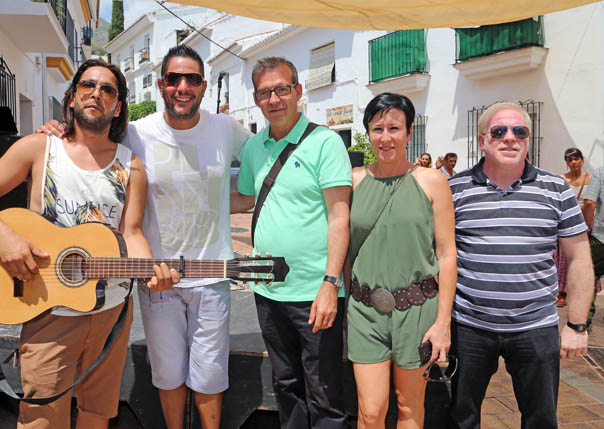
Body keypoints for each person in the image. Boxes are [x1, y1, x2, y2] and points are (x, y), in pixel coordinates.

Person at [37, 45, 251, 429]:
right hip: (155, 276)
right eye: (173, 79)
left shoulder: (227, 129)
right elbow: (90, 143)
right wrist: (57, 129)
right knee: (167, 374)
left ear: (203, 87)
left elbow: (264, 160)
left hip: (213, 274)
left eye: (192, 79)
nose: (182, 87)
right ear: (160, 84)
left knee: (211, 376)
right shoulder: (137, 134)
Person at [0, 59, 176, 428]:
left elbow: (133, 233)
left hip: (110, 310)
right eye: (88, 85)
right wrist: (6, 237)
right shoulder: (39, 148)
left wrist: (151, 272)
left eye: (108, 90)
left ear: (118, 106)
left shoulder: (132, 166)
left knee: (98, 412)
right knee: (41, 418)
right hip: (47, 306)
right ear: (72, 98)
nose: (97, 93)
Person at [448, 102, 593, 429]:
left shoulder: (556, 189)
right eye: (499, 132)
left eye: (519, 131)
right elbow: (439, 255)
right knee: (459, 419)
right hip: (469, 327)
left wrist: (577, 325)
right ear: (482, 140)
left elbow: (580, 257)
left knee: (541, 420)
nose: (509, 138)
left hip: (536, 328)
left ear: (528, 139)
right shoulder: (454, 189)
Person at [231, 56, 351, 428]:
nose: (275, 99)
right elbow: (246, 198)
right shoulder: (254, 147)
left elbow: (339, 217)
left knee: (325, 391)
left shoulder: (325, 142)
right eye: (265, 92)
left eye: (282, 89)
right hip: (268, 290)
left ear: (298, 91)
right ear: (256, 98)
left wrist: (330, 284)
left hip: (315, 292)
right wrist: (192, 189)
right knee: (285, 384)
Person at [344, 93, 456, 429]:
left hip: (418, 312)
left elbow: (447, 255)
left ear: (409, 133)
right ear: (368, 133)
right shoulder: (353, 182)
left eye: (395, 128)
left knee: (410, 408)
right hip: (365, 312)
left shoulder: (432, 181)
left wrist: (443, 322)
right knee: (370, 412)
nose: (386, 137)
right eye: (377, 129)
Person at [555, 148, 591, 306]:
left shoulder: (590, 179)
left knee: (583, 259)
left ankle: (583, 293)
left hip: (586, 225)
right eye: (570, 160)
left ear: (582, 160)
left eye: (576, 159)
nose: (573, 162)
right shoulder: (561, 179)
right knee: (563, 260)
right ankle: (561, 292)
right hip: (565, 225)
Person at [583, 166, 604, 329]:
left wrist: (587, 226)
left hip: (600, 237)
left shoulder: (600, 172)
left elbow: (589, 203)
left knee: (590, 276)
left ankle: (585, 317)